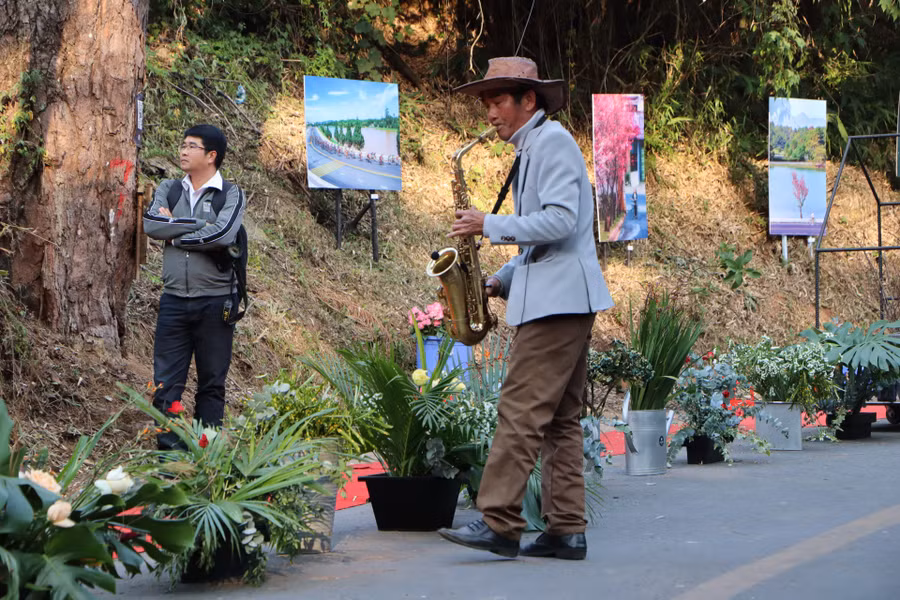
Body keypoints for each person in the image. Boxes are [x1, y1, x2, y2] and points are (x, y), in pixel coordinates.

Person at [437, 57, 614, 560]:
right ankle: (566, 530)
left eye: (498, 101)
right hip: (560, 296)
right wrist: (499, 279)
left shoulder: (552, 143)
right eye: (486, 103)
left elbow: (560, 221)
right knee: (560, 418)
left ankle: (499, 522)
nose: (489, 113)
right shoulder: (534, 146)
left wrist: (488, 225)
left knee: (518, 409)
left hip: (557, 304)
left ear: (528, 100)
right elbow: (546, 243)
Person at [143, 124, 246, 450]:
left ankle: (206, 461)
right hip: (173, 301)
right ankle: (171, 465)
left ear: (211, 155)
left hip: (216, 304)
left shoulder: (230, 194)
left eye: (191, 146)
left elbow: (224, 235)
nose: (183, 151)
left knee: (211, 386)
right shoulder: (169, 188)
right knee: (165, 385)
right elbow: (151, 224)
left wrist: (176, 230)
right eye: (183, 144)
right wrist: (198, 227)